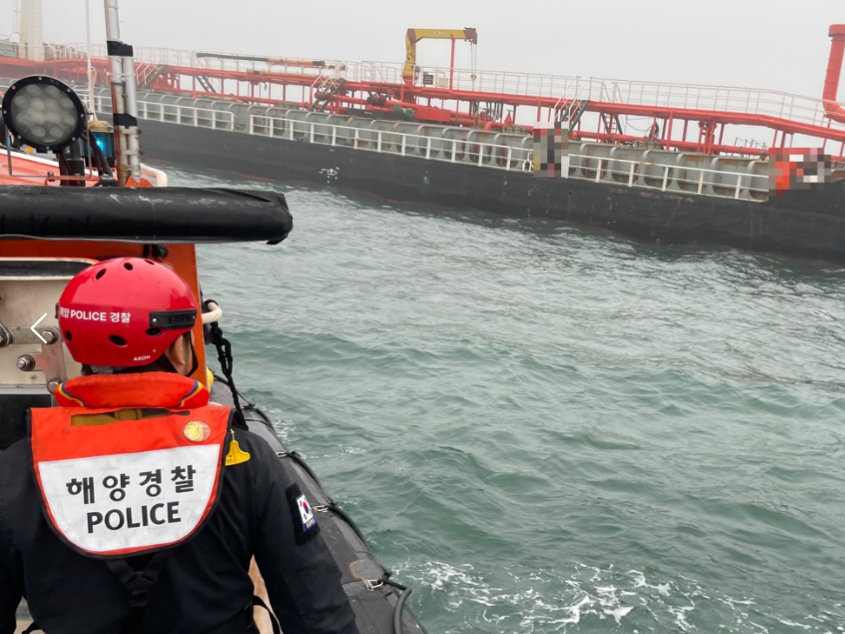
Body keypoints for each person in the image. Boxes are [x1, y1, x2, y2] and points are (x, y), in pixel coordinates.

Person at [0, 257, 359, 634]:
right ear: (178, 350)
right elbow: (314, 607)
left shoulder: (14, 472)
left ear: (76, 346)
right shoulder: (244, 460)